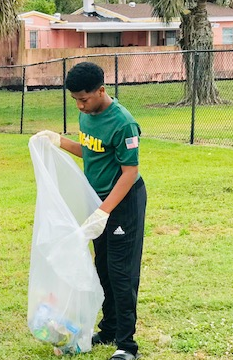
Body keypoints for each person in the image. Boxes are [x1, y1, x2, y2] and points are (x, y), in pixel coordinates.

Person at [35, 62, 147, 360]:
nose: (80, 106)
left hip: (122, 203)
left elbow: (129, 173)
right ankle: (109, 329)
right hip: (96, 200)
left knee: (122, 273)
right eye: (75, 101)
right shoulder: (87, 115)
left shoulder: (123, 123)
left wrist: (104, 212)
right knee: (104, 270)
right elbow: (91, 150)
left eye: (84, 99)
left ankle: (127, 345)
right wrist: (59, 141)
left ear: (101, 90)